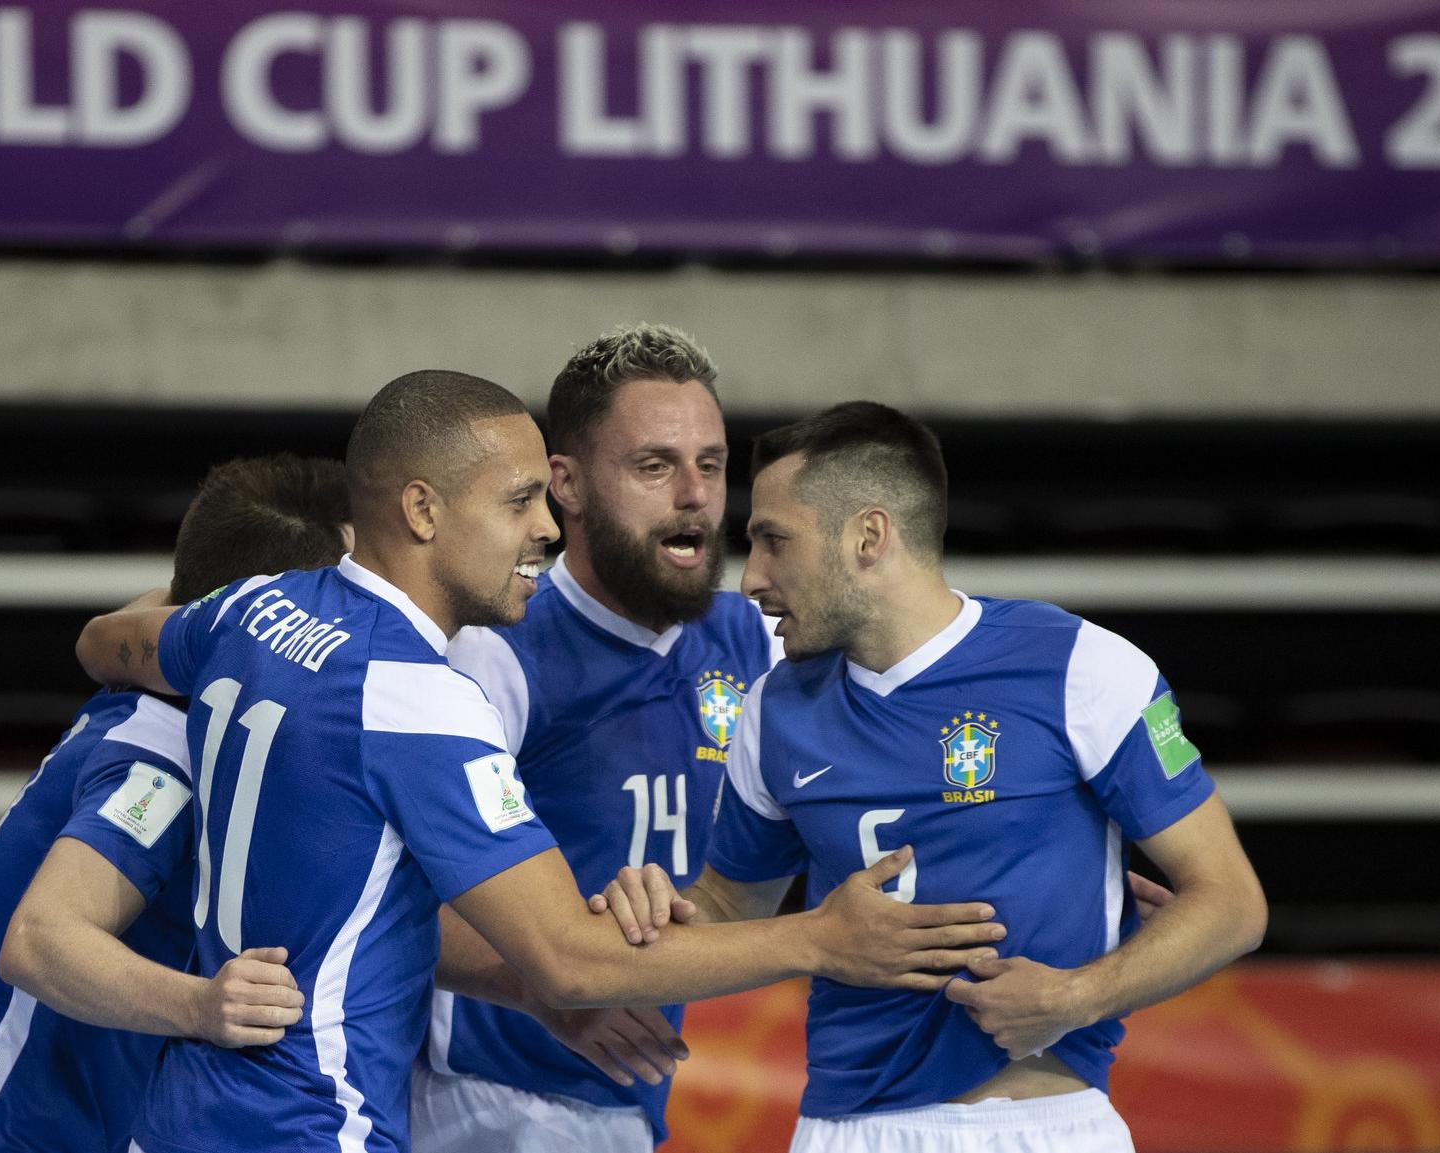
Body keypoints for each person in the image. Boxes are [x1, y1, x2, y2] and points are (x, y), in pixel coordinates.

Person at [69, 371, 981, 1153]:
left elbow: (111, 644)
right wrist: (819, 939)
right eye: (518, 501)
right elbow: (567, 962)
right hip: (321, 1116)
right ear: (422, 509)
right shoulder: (420, 697)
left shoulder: (254, 612)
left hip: (185, 1111)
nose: (546, 527)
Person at [595, 401, 1268, 1153]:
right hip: (846, 1129)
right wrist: (648, 916)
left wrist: (1075, 998)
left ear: (868, 536)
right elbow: (725, 905)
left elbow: (1232, 901)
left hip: (1043, 1124)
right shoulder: (772, 708)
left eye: (772, 541)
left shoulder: (1082, 666)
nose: (750, 578)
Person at [420, 326, 1007, 1153]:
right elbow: (395, 892)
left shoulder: (763, 642)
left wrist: (1045, 839)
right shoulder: (495, 650)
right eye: (653, 466)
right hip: (480, 1093)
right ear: (569, 484)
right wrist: (543, 988)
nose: (693, 493)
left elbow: (908, 770)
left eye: (711, 462)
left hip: (625, 1093)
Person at [0, 453, 349, 1153]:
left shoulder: (169, 675)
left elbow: (149, 606)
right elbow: (38, 939)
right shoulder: (167, 754)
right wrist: (202, 1005)